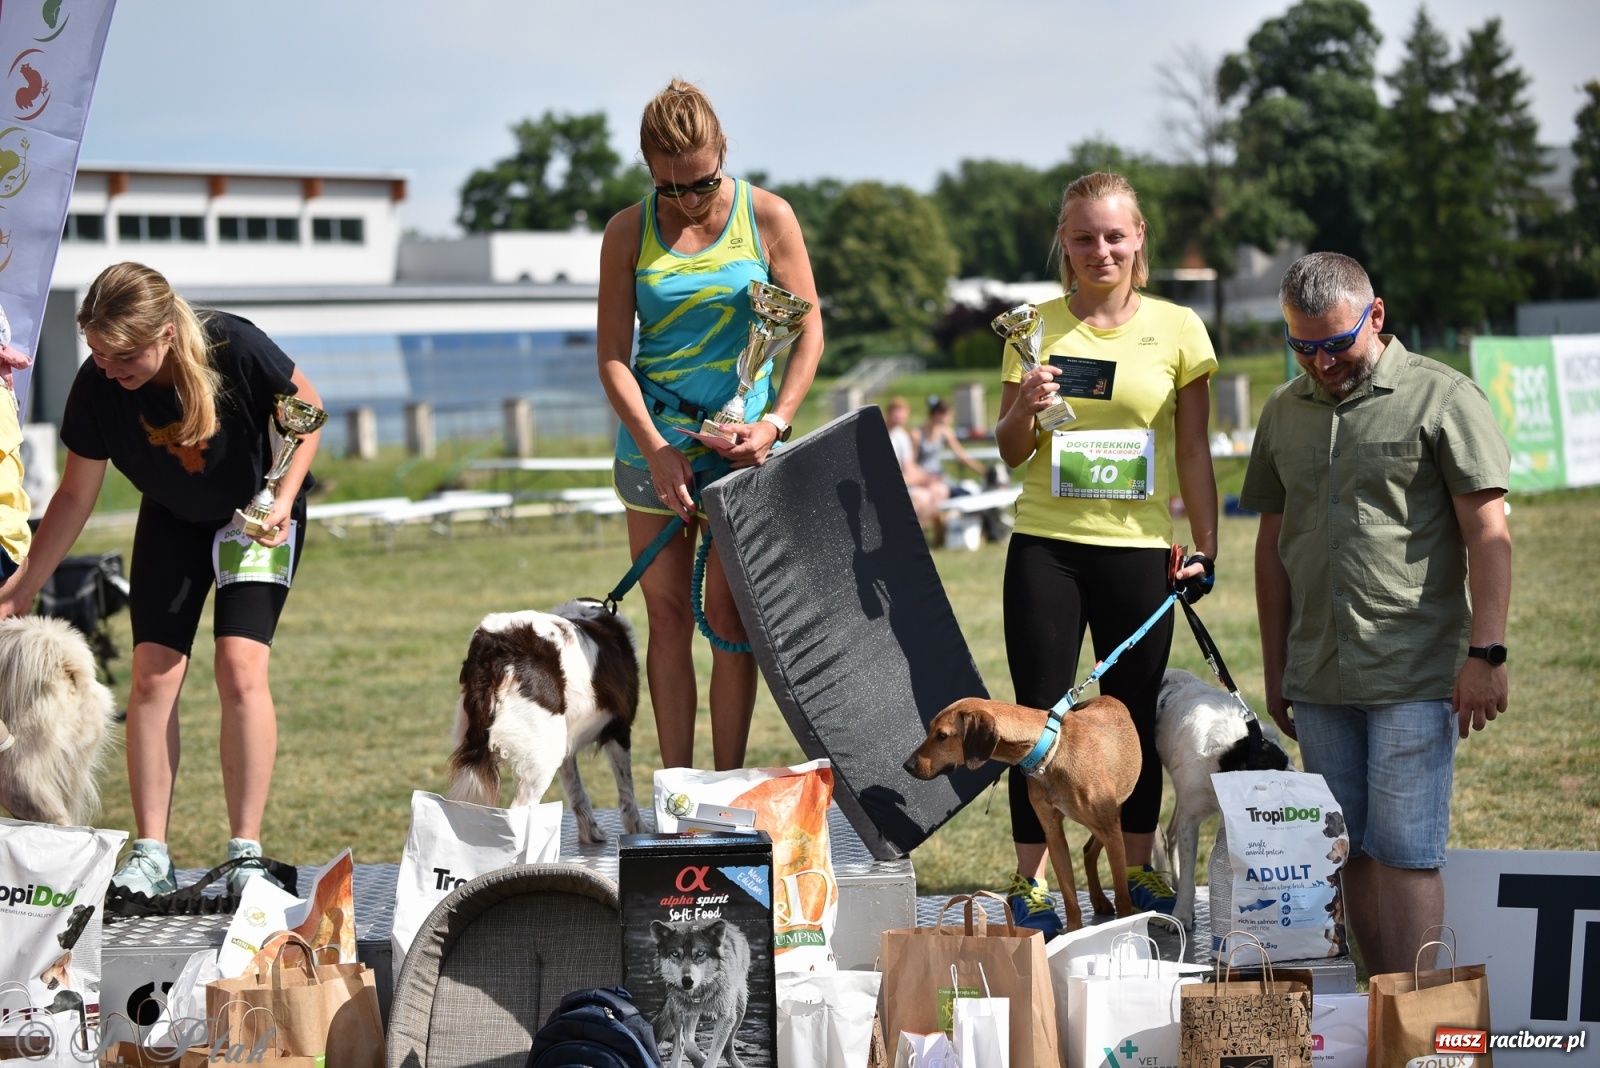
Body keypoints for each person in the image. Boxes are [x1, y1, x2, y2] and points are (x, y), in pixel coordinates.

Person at [0, 262, 322, 896]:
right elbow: (73, 497)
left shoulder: (231, 342)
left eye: (123, 356)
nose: (109, 369)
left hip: (251, 519)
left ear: (166, 334)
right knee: (151, 675)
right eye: (97, 353)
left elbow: (306, 409)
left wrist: (281, 497)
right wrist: (26, 581)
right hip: (174, 518)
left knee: (239, 666)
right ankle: (152, 853)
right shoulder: (97, 388)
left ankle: (244, 853)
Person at [1242, 251, 1510, 977]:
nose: (1321, 362)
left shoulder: (1446, 398)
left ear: (1378, 316)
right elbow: (1273, 549)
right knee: (1347, 848)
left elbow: (1490, 532)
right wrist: (1277, 670)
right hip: (1317, 675)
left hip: (1413, 671)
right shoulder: (1280, 411)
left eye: (1336, 343)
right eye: (1303, 346)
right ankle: (1377, 1005)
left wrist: (1486, 654)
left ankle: (1419, 1025)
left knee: (1407, 851)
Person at [996, 172, 1218, 935]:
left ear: (1139, 238)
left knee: (1129, 716)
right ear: (1065, 241)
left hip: (1137, 551)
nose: (1101, 249)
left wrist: (1206, 546)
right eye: (1084, 235)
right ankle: (1029, 885)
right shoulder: (1031, 327)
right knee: (1036, 720)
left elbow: (1193, 449)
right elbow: (1009, 453)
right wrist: (1024, 406)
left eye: (1114, 235)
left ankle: (1136, 871)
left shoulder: (1180, 327)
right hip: (1045, 550)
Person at [596, 79, 823, 771]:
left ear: (723, 149)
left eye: (700, 182)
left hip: (739, 452)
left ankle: (724, 792)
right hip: (653, 449)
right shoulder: (627, 231)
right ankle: (678, 793)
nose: (688, 200)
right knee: (666, 622)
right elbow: (611, 356)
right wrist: (657, 449)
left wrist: (776, 424)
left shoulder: (769, 216)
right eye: (670, 187)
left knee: (729, 626)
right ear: (647, 168)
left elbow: (807, 333)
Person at [885, 396, 947, 529]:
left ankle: (918, 532)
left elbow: (909, 465)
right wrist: (917, 480)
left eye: (902, 417)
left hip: (902, 481)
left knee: (939, 491)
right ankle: (909, 532)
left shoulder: (901, 436)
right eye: (897, 415)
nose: (900, 419)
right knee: (922, 498)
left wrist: (925, 478)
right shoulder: (880, 435)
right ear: (888, 413)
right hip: (887, 483)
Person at [913, 395, 985, 492]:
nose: (951, 419)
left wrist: (982, 471)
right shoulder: (916, 434)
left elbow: (961, 455)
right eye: (949, 416)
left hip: (938, 475)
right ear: (938, 414)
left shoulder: (946, 432)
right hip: (922, 478)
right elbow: (911, 464)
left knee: (964, 492)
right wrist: (925, 478)